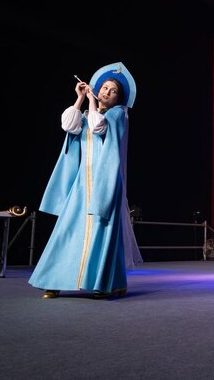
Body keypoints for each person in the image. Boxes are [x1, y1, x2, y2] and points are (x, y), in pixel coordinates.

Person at [29, 62, 142, 299]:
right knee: (68, 228)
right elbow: (68, 125)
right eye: (105, 88)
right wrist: (80, 98)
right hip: (82, 182)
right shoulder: (85, 114)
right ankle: (53, 280)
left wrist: (91, 103)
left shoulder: (118, 115)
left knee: (103, 231)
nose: (107, 92)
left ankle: (106, 283)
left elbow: (98, 127)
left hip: (106, 182)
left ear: (119, 98)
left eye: (113, 91)